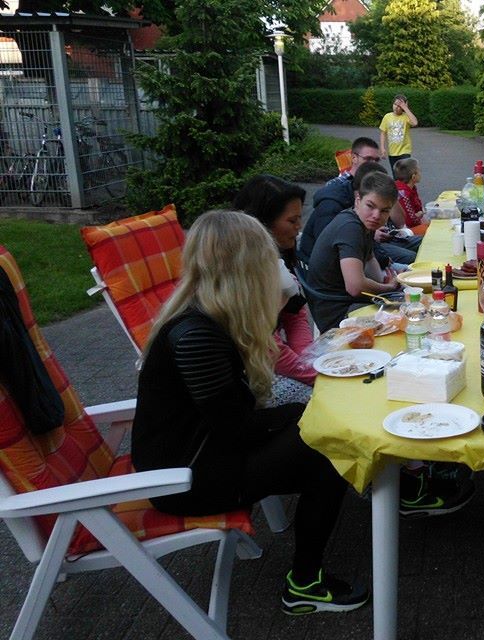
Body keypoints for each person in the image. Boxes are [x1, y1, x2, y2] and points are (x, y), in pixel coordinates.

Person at [131, 210, 369, 615]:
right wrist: (299, 415)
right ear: (248, 268)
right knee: (327, 444)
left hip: (202, 454)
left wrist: (299, 414)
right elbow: (237, 429)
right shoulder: (197, 337)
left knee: (322, 441)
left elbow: (235, 418)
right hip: (185, 479)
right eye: (267, 259)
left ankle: (306, 577)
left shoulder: (209, 314)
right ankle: (304, 583)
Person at [233, 175, 315, 405]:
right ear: (261, 224)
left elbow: (295, 312)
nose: (299, 228)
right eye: (292, 221)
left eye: (300, 218)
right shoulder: (242, 273)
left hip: (277, 360)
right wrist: (313, 376)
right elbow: (268, 348)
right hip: (253, 373)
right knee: (328, 402)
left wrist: (307, 359)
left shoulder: (280, 253)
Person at [306, 172, 402, 332]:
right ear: (358, 200)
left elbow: (370, 258)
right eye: (370, 206)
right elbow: (355, 286)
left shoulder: (365, 222)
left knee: (405, 304)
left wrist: (384, 281)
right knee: (403, 318)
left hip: (346, 301)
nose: (376, 216)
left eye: (384, 211)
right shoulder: (350, 228)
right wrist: (388, 288)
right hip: (336, 312)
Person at [298, 136, 381, 264]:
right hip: (331, 264)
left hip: (363, 246)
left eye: (377, 160)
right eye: (368, 159)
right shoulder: (334, 194)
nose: (373, 164)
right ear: (353, 157)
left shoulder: (369, 184)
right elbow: (330, 247)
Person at [379, 94, 418, 177]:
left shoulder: (406, 117)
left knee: (405, 175)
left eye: (400, 106)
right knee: (396, 176)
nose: (397, 107)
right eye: (395, 104)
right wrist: (382, 148)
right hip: (392, 152)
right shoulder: (387, 117)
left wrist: (405, 108)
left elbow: (415, 123)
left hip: (404, 152)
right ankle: (399, 189)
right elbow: (383, 133)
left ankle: (406, 189)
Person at [393, 157, 427, 232]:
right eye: (419, 171)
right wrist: (420, 214)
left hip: (412, 226)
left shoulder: (411, 188)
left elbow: (418, 208)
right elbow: (410, 221)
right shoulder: (403, 193)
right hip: (406, 231)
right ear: (413, 177)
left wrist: (419, 213)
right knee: (430, 230)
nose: (420, 173)